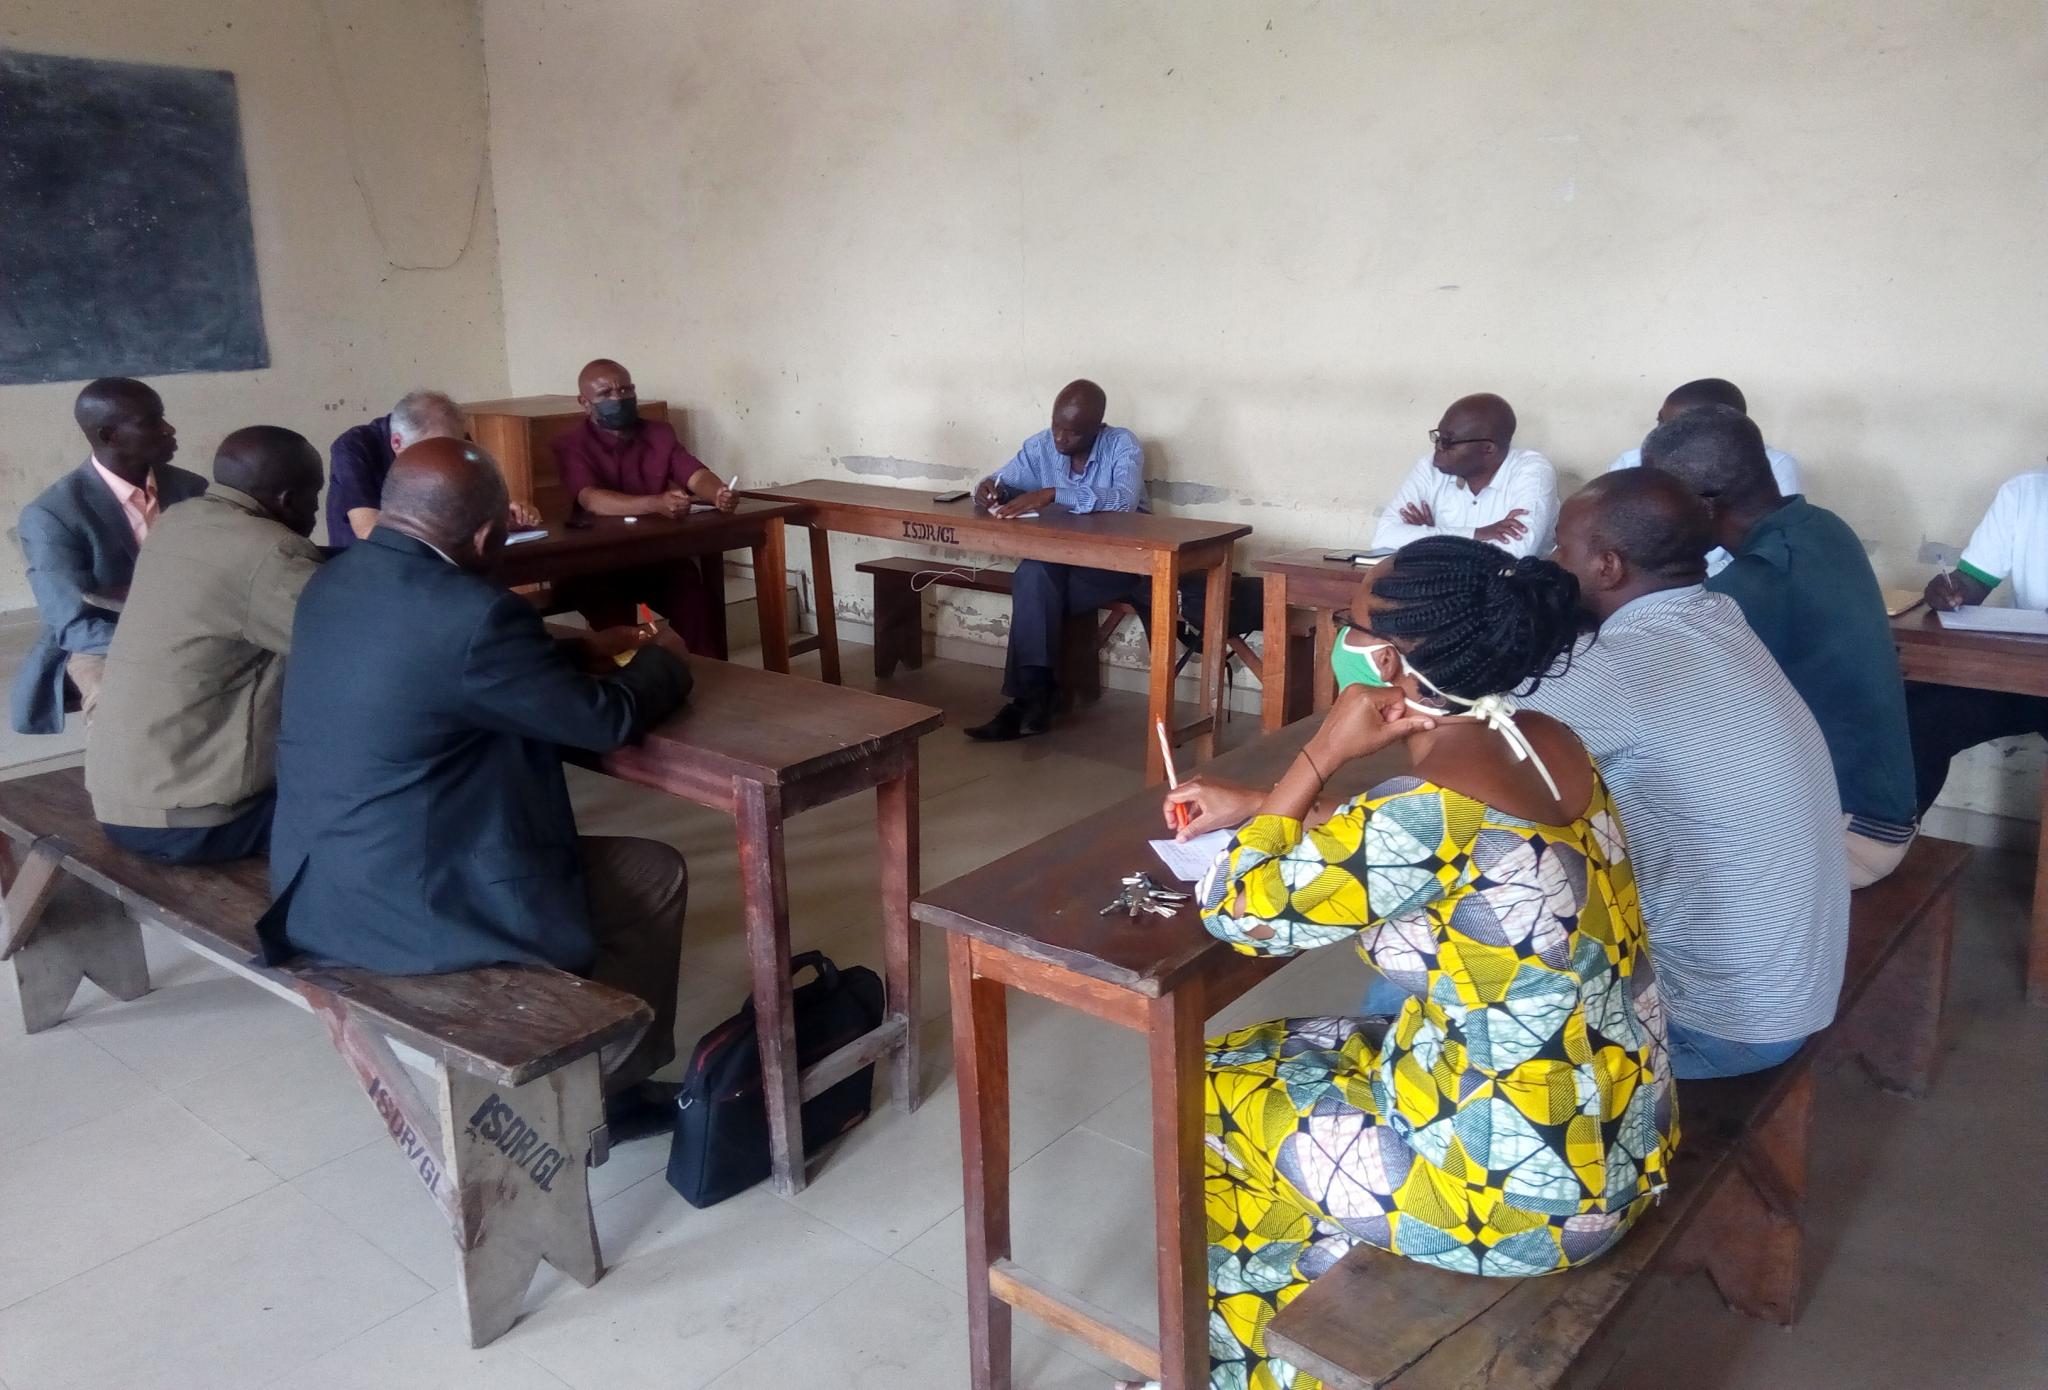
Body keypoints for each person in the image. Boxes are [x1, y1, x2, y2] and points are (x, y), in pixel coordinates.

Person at [1158, 538, 1675, 1390]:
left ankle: (1244, 1372)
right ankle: (1306, 1285)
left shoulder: (1427, 809)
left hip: (1527, 1197)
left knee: (1204, 1093)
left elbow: (1240, 909)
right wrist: (1258, 804)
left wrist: (1319, 753)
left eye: (1351, 624)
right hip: (1615, 1127)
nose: (1342, 637)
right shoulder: (1547, 742)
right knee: (1250, 1054)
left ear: (1387, 664)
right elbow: (1420, 845)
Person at [257, 438, 695, 1123]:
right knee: (653, 873)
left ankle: (598, 1058)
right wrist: (664, 658)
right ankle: (613, 1093)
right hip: (412, 904)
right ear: (488, 536)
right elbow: (603, 720)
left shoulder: (333, 579)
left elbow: (430, 663)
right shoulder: (477, 613)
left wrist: (570, 649)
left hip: (319, 880)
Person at [1521, 470, 1849, 1076]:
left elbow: (1482, 738)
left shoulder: (1622, 663)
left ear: (1608, 567)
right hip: (1789, 991)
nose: (1549, 560)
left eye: (1562, 548)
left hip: (1716, 1025)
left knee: (1451, 948)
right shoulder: (1716, 617)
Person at [1647, 406, 1918, 886]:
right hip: (1877, 813)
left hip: (1847, 836)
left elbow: (1652, 685)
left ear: (1703, 505)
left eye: (1660, 505)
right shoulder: (1821, 526)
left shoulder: (1761, 579)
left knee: (1618, 839)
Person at [86, 427, 326, 863]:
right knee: (393, 796)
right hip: (198, 821)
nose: (316, 508)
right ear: (289, 499)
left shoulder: (179, 520)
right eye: (315, 495)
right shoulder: (273, 553)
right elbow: (353, 645)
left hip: (121, 801)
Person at [11, 377, 208, 735]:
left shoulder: (192, 489)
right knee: (118, 713)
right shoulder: (53, 515)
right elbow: (72, 624)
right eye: (152, 421)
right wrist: (167, 645)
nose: (169, 429)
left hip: (199, 628)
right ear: (109, 436)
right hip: (106, 641)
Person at [964, 379, 1150, 741]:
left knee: (1032, 589)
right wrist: (989, 489)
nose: (1060, 438)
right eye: (1056, 426)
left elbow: (1124, 500)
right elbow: (1002, 480)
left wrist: (1053, 493)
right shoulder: (1041, 446)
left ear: (1097, 428)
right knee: (1033, 573)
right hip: (1063, 558)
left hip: (1120, 563)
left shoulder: (1122, 444)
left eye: (1073, 432)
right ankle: (1034, 698)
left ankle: (1029, 703)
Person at [552, 358, 734, 655]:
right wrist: (655, 503)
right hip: (596, 562)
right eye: (605, 394)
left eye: (625, 390)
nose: (618, 398)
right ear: (584, 403)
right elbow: (591, 499)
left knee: (696, 602)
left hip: (653, 554)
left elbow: (694, 474)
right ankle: (631, 678)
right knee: (616, 626)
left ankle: (710, 675)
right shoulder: (571, 443)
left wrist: (718, 493)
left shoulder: (659, 434)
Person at [1908, 469, 2048, 813]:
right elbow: (1973, 580)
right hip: (2025, 674)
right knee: (1917, 720)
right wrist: (1951, 590)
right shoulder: (2024, 492)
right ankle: (1884, 839)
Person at [1607, 378, 1802, 575]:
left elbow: (1768, 549)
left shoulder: (1775, 464)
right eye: (1660, 422)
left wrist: (1689, 581)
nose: (1660, 434)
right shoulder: (1631, 462)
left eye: (1678, 429)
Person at [327, 389, 539, 548]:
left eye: (453, 448)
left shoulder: (453, 439)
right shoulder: (354, 447)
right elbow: (370, 532)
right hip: (368, 568)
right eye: (433, 451)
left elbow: (473, 505)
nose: (443, 460)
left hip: (438, 561)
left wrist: (502, 516)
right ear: (397, 443)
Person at [1370, 393, 1558, 558]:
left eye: (1448, 441)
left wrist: (1429, 540)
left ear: (1487, 449)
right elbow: (1384, 537)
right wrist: (1477, 534)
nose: (1438, 447)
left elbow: (1513, 554)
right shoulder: (1429, 467)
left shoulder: (1532, 470)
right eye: (1438, 437)